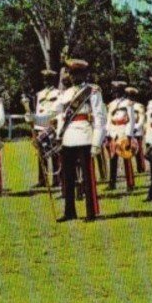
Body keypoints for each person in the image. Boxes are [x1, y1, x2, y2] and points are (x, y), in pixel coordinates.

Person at [54, 59, 106, 222]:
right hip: (68, 138)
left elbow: (99, 117)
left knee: (88, 177)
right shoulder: (66, 93)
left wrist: (97, 142)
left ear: (84, 74)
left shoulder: (92, 91)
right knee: (67, 178)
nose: (74, 76)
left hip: (85, 136)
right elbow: (57, 116)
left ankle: (91, 212)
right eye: (72, 73)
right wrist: (33, 118)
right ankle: (70, 211)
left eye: (77, 73)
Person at [25, 69, 62, 188]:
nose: (47, 81)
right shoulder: (39, 94)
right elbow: (38, 110)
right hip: (40, 126)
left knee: (55, 153)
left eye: (49, 79)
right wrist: (35, 129)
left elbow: (58, 110)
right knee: (41, 154)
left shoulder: (58, 93)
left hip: (52, 125)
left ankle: (57, 179)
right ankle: (42, 180)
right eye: (45, 79)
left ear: (53, 80)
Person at [104, 80, 136, 191]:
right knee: (113, 158)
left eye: (118, 90)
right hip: (114, 132)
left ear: (122, 91)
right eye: (115, 90)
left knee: (126, 157)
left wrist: (128, 135)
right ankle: (112, 183)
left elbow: (131, 120)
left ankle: (130, 183)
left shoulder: (128, 103)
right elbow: (108, 120)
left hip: (123, 130)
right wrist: (109, 133)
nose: (116, 92)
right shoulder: (111, 104)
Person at [126, 86, 147, 173]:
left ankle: (140, 167)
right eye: (129, 96)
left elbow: (142, 119)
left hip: (137, 131)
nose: (130, 98)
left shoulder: (139, 106)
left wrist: (136, 128)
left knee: (139, 151)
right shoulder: (126, 105)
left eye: (132, 96)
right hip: (128, 131)